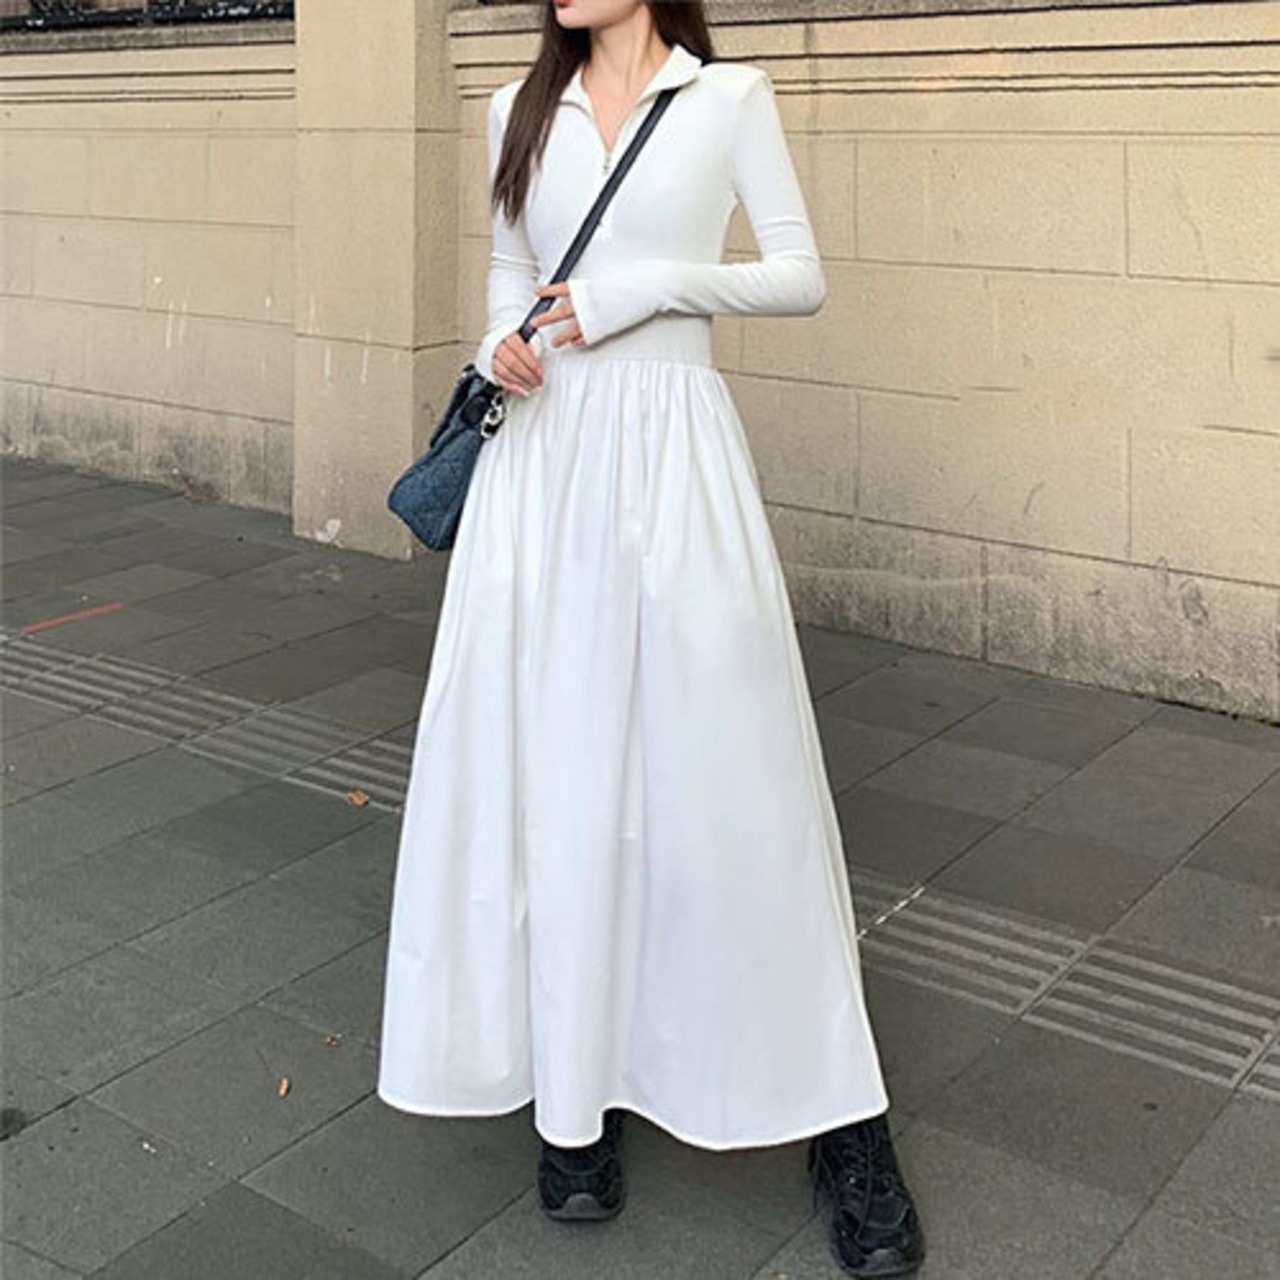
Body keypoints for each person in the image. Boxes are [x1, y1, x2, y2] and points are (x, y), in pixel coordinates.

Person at [377, 1, 925, 1274]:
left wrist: (641, 289)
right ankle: (576, 1097)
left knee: (738, 779)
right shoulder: (513, 109)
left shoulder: (726, 100)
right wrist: (501, 350)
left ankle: (838, 1114)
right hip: (543, 471)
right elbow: (507, 283)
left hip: (675, 458)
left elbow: (797, 274)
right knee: (560, 777)